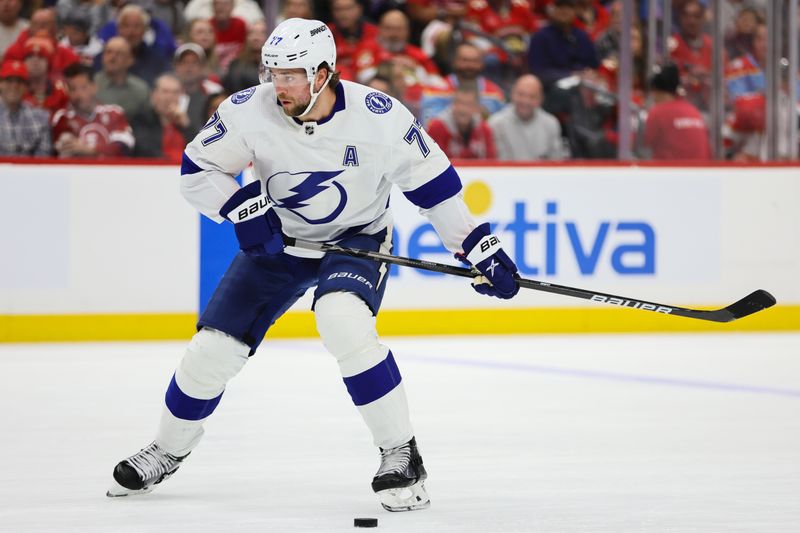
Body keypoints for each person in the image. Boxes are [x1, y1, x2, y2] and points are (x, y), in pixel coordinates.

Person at [107, 18, 519, 512]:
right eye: (273, 72)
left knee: (342, 321)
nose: (278, 85)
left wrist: (478, 247)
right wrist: (242, 207)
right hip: (279, 244)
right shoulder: (248, 110)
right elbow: (197, 172)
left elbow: (436, 190)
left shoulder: (381, 118)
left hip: (356, 240)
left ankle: (400, 454)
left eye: (291, 74)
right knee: (210, 351)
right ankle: (167, 448)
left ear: (323, 73)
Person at [52, 62, 135, 158]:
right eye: (73, 89)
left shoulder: (114, 113)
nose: (78, 94)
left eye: (83, 88)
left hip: (111, 172)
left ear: (94, 87)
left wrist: (91, 151)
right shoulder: (63, 118)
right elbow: (65, 153)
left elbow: (124, 147)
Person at [419, 42, 505, 126]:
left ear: (482, 63)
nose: (470, 65)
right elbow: (429, 125)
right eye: (465, 60)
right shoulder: (436, 89)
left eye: (475, 61)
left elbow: (500, 127)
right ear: (454, 61)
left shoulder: (494, 92)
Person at [488, 74, 564, 160]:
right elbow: (497, 164)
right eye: (521, 94)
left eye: (532, 96)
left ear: (541, 99)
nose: (525, 101)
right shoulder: (496, 123)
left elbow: (556, 163)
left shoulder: (551, 123)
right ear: (512, 94)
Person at [643, 63, 710, 160]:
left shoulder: (658, 112)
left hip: (672, 171)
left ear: (655, 90)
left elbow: (644, 145)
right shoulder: (692, 110)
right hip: (702, 170)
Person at [128, 73, 191, 161]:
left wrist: (187, 126)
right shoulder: (141, 119)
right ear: (154, 95)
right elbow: (145, 150)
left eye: (175, 92)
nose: (170, 97)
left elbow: (200, 152)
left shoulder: (185, 120)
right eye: (165, 92)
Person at [426, 86, 497, 159]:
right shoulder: (437, 128)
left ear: (476, 108)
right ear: (452, 104)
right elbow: (433, 162)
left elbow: (491, 161)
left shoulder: (484, 129)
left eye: (468, 104)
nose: (463, 109)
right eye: (459, 103)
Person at [0, 59, 52, 156]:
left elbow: (43, 162)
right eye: (9, 81)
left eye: (19, 82)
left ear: (26, 87)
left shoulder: (41, 118)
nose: (14, 86)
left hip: (30, 171)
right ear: (0, 84)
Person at [173, 42, 223, 139]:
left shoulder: (215, 92)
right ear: (176, 67)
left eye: (194, 62)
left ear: (203, 67)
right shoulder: (167, 91)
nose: (189, 67)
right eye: (184, 62)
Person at [94, 36, 150, 121]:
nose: (112, 57)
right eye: (108, 52)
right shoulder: (91, 84)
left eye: (119, 53)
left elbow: (147, 124)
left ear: (130, 60)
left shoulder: (141, 90)